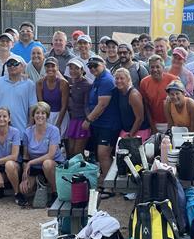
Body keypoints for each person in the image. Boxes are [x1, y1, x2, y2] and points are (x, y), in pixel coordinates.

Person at [83, 55, 120, 183]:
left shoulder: (106, 80)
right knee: (102, 155)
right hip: (100, 124)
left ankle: (110, 184)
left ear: (103, 65)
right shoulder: (98, 79)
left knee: (103, 154)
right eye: (90, 66)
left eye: (95, 65)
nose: (93, 69)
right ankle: (106, 178)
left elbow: (102, 104)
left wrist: (88, 120)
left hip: (108, 124)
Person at [21, 102, 65, 203]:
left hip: (53, 163)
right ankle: (40, 181)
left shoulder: (54, 130)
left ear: (47, 116)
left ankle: (55, 192)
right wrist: (24, 175)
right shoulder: (27, 132)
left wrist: (31, 162)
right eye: (37, 113)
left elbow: (51, 155)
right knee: (24, 190)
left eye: (43, 113)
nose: (40, 116)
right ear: (33, 115)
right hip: (35, 167)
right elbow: (25, 156)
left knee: (47, 163)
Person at [0, 56, 36, 132]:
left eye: (15, 64)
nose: (12, 66)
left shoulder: (30, 84)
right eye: (9, 64)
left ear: (22, 66)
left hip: (21, 130)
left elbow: (32, 107)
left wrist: (30, 125)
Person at [0, 107, 24, 205]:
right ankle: (1, 186)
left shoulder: (15, 132)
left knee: (9, 164)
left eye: (4, 116)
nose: (1, 119)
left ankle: (17, 193)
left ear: (9, 119)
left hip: (14, 166)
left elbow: (14, 156)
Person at [139, 55, 175, 133]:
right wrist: (152, 126)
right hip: (155, 123)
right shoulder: (144, 83)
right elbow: (146, 106)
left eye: (158, 67)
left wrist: (173, 124)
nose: (155, 70)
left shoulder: (173, 80)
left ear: (163, 67)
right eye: (152, 67)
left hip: (173, 122)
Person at [114, 68, 151, 141]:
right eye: (117, 78)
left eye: (122, 78)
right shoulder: (119, 92)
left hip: (139, 132)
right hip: (125, 131)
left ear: (128, 79)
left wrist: (130, 135)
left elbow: (140, 118)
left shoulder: (133, 95)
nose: (119, 81)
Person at [65, 58, 92, 157]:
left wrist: (87, 121)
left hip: (82, 121)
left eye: (76, 68)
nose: (73, 71)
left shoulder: (87, 85)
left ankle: (81, 172)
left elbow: (87, 105)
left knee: (78, 152)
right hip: (73, 120)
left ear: (82, 70)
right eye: (71, 68)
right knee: (71, 151)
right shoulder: (71, 83)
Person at [36, 57, 69, 135]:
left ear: (57, 67)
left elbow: (64, 106)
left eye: (53, 66)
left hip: (61, 116)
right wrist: (44, 121)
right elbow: (41, 105)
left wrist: (58, 124)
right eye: (48, 66)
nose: (50, 68)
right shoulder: (40, 83)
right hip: (46, 117)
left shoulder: (63, 83)